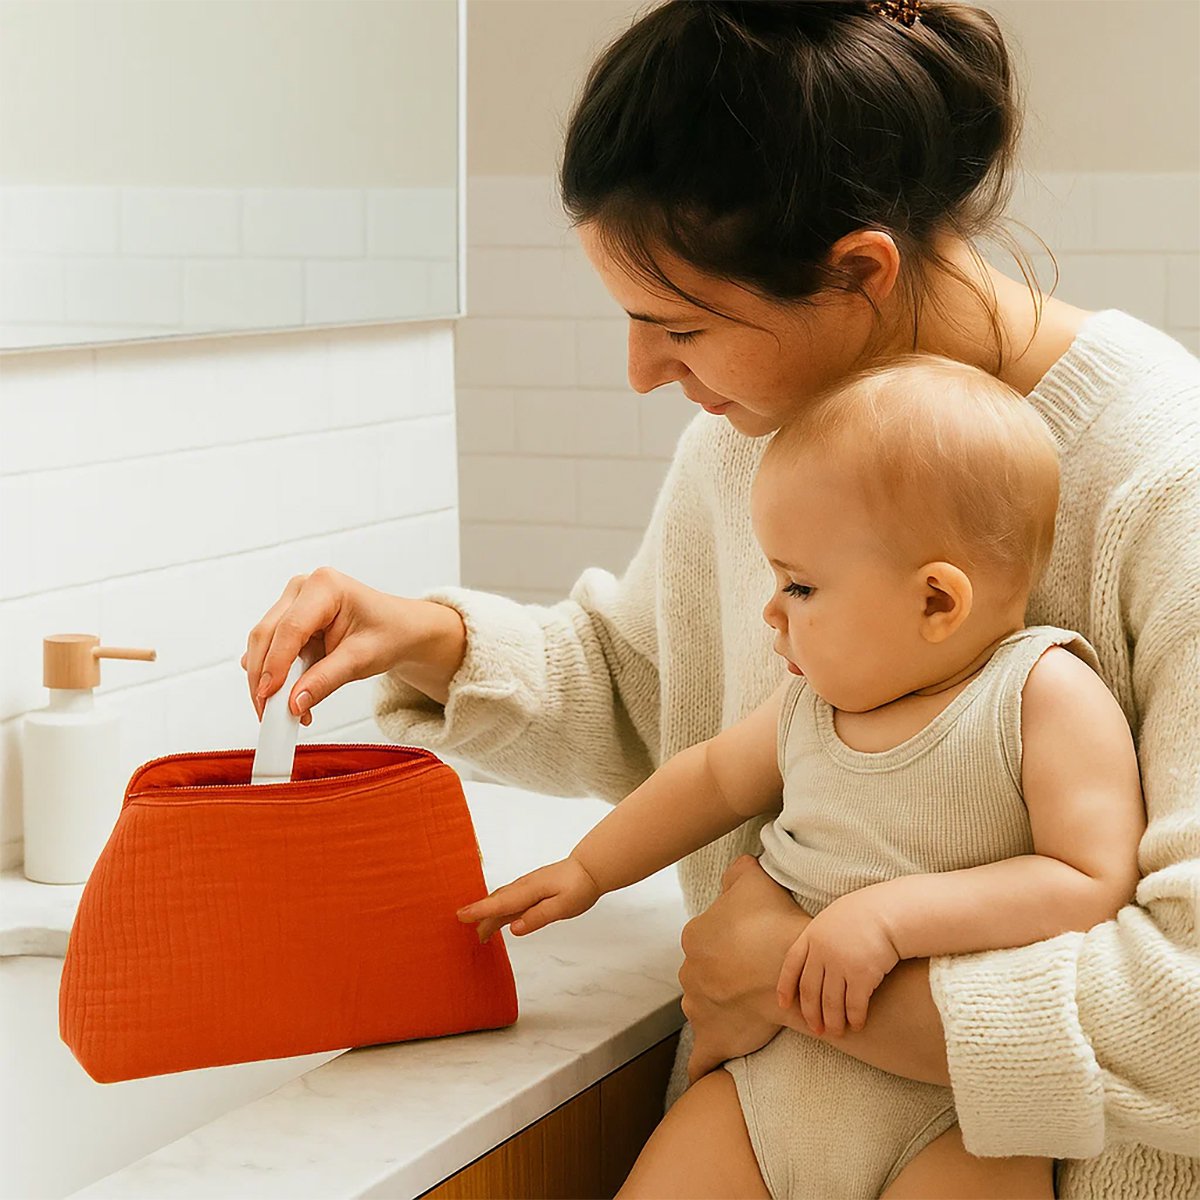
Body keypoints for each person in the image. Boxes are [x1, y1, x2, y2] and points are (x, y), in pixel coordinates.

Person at [242, 2, 1200, 1194]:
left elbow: (1190, 1012)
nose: (641, 372)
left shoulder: (1168, 478)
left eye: (678, 324)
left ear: (858, 271)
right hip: (765, 1123)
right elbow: (666, 699)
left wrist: (802, 973)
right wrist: (434, 640)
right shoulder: (760, 435)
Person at [454, 354, 1146, 1198]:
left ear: (937, 603)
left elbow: (1092, 880)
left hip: (960, 1120)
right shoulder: (808, 704)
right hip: (765, 1092)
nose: (771, 610)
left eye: (801, 584)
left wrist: (891, 918)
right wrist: (589, 869)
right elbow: (707, 780)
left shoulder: (1042, 691)